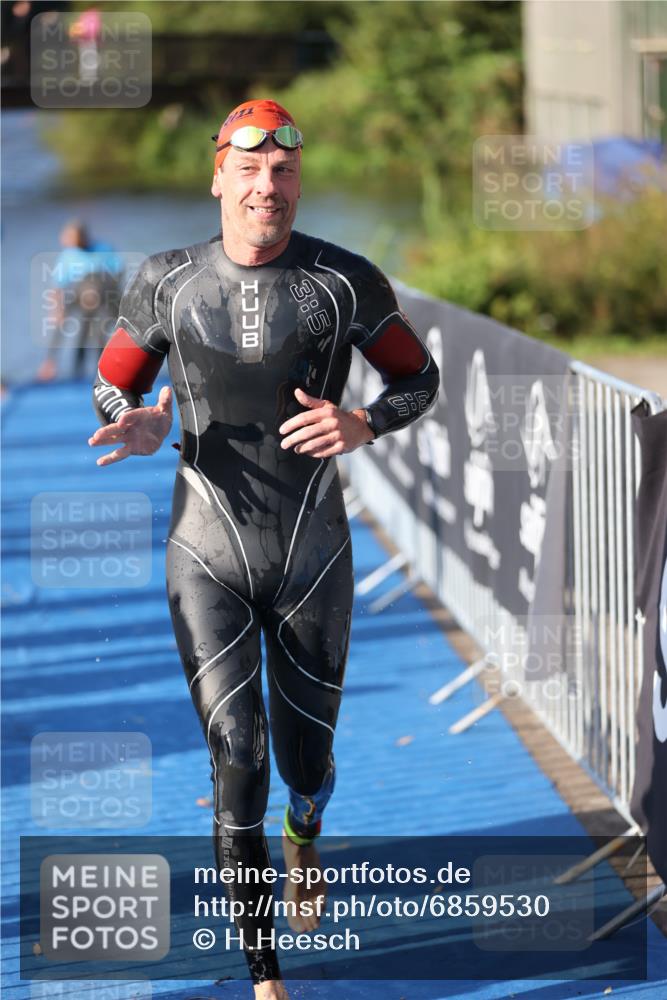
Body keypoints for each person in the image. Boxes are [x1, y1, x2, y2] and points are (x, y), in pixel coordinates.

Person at [88, 99, 439, 999]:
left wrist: (360, 422)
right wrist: (135, 421)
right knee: (235, 756)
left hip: (310, 548)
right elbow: (110, 383)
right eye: (247, 171)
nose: (264, 188)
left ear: (296, 181)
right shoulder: (166, 281)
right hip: (203, 544)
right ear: (217, 176)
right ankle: (263, 974)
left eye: (281, 172)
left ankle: (307, 834)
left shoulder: (343, 281)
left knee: (303, 766)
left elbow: (418, 377)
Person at [38, 221, 123, 381]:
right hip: (80, 295)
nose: (68, 242)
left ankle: (104, 372)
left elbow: (118, 274)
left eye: (71, 238)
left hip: (104, 297)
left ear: (83, 237)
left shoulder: (103, 249)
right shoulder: (69, 255)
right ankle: (50, 364)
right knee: (62, 325)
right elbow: (57, 285)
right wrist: (58, 310)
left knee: (99, 332)